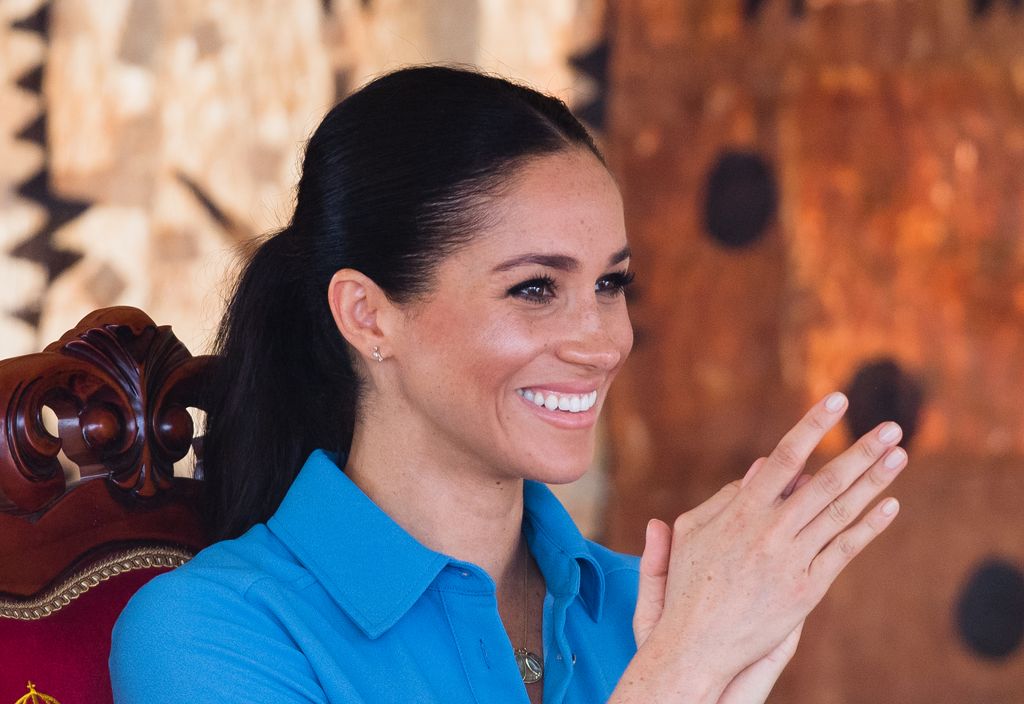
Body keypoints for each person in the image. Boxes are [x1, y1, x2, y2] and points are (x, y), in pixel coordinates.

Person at [109, 65, 907, 704]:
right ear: (368, 316)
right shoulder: (213, 632)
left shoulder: (644, 606)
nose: (603, 341)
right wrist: (683, 671)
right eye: (535, 288)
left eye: (611, 283)